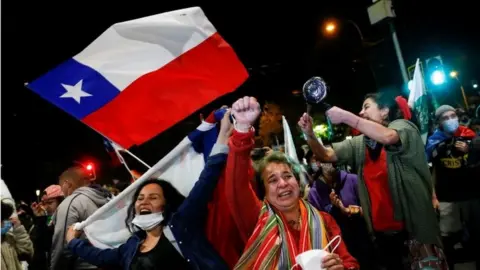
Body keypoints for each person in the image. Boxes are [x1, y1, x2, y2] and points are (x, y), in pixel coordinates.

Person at [64, 110, 233, 270]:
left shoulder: (183, 223)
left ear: (166, 203)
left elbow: (205, 181)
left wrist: (223, 134)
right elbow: (100, 257)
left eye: (153, 197)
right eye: (140, 198)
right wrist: (73, 242)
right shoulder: (131, 246)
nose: (144, 202)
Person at [299, 92, 446, 269]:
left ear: (384, 111)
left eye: (366, 107)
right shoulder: (360, 144)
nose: (361, 112)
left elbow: (388, 137)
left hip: (415, 231)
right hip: (383, 235)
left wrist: (346, 117)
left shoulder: (404, 128)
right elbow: (325, 155)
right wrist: (310, 135)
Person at [226, 96, 359, 270]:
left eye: (287, 176)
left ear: (297, 182)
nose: (283, 183)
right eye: (272, 180)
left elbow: (350, 263)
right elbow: (237, 185)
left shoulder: (324, 220)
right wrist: (242, 129)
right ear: (263, 190)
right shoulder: (256, 219)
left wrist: (342, 267)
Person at [426, 105, 480, 268]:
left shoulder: (468, 134)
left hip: (471, 194)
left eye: (453, 116)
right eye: (446, 118)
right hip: (447, 197)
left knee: (476, 232)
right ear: (439, 122)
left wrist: (469, 148)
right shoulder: (434, 139)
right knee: (448, 235)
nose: (451, 120)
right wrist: (446, 145)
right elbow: (428, 157)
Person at [50, 166, 112, 270]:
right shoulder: (108, 199)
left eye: (61, 187)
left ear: (67, 184)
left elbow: (62, 246)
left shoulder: (70, 203)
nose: (62, 192)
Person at [1, 201, 34, 270]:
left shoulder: (8, 238)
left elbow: (27, 253)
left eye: (3, 219)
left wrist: (18, 228)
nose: (3, 223)